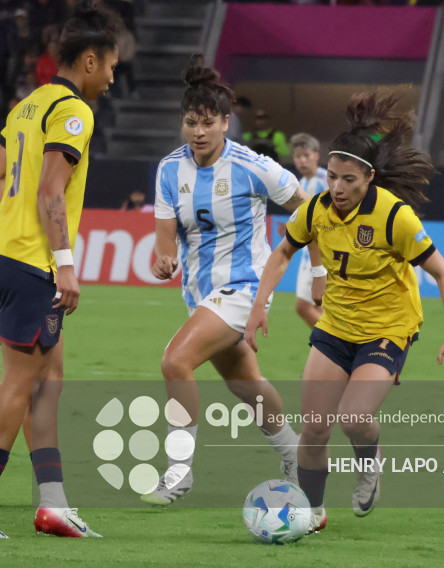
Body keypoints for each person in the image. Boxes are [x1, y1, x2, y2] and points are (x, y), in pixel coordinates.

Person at [245, 90, 444, 534]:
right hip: (337, 325)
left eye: (348, 179)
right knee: (313, 430)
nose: (337, 188)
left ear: (369, 177)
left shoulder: (395, 218)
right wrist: (260, 306)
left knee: (353, 418)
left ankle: (370, 463)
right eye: (332, 177)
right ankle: (310, 515)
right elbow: (281, 254)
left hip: (388, 328)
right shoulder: (316, 210)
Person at [0, 3, 120, 539]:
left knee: (49, 380)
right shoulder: (74, 112)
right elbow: (49, 191)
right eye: (110, 65)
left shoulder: (27, 105)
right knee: (21, 381)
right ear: (88, 61)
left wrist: (5, 234)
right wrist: (63, 265)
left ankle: (53, 503)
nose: (112, 78)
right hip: (30, 266)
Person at [141, 54, 310, 506]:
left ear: (225, 123)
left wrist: (321, 262)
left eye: (207, 122)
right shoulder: (169, 170)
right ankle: (298, 454)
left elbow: (307, 207)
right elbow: (164, 243)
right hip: (200, 292)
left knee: (174, 361)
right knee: (245, 383)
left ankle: (178, 472)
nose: (198, 131)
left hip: (245, 288)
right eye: (191, 122)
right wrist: (163, 260)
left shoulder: (252, 166)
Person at [289, 132, 328, 327]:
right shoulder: (301, 184)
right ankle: (332, 351)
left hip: (324, 253)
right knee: (319, 308)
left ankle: (337, 346)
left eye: (306, 155)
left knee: (303, 307)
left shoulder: (326, 180)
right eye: (298, 156)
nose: (302, 160)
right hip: (309, 253)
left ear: (316, 155)